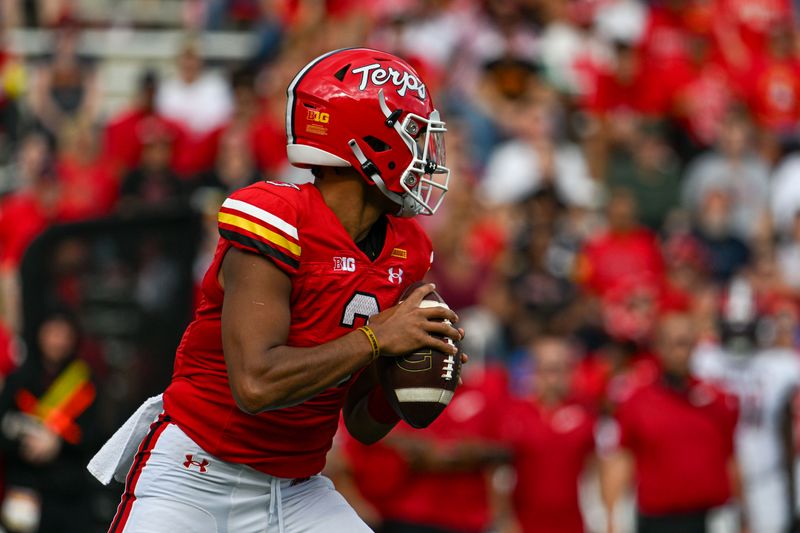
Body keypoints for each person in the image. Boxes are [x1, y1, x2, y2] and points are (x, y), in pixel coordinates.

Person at [94, 47, 462, 533]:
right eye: (412, 133)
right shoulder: (276, 216)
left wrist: (412, 377)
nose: (424, 152)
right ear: (366, 140)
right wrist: (375, 339)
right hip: (195, 474)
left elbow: (362, 427)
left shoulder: (406, 248)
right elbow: (256, 384)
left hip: (296, 486)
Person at [601, 313, 740, 533]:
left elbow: (731, 458)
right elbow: (620, 460)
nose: (680, 351)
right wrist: (611, 519)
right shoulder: (636, 402)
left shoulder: (718, 399)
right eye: (673, 343)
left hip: (710, 518)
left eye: (686, 343)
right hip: (658, 520)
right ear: (659, 347)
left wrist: (743, 514)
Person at [693, 277, 800, 533]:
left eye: (745, 327)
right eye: (733, 327)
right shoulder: (704, 360)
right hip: (720, 478)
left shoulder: (780, 364)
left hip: (766, 476)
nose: (739, 337)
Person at [0, 311, 98, 533]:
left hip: (67, 490)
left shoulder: (84, 381)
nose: (58, 341)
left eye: (64, 334)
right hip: (24, 486)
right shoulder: (20, 379)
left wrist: (58, 444)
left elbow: (94, 433)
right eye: (52, 333)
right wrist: (26, 444)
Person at [501, 336, 598, 533]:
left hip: (573, 525)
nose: (553, 378)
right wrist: (504, 521)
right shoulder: (513, 414)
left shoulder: (586, 415)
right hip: (524, 524)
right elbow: (499, 475)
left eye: (560, 369)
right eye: (547, 369)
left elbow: (598, 471)